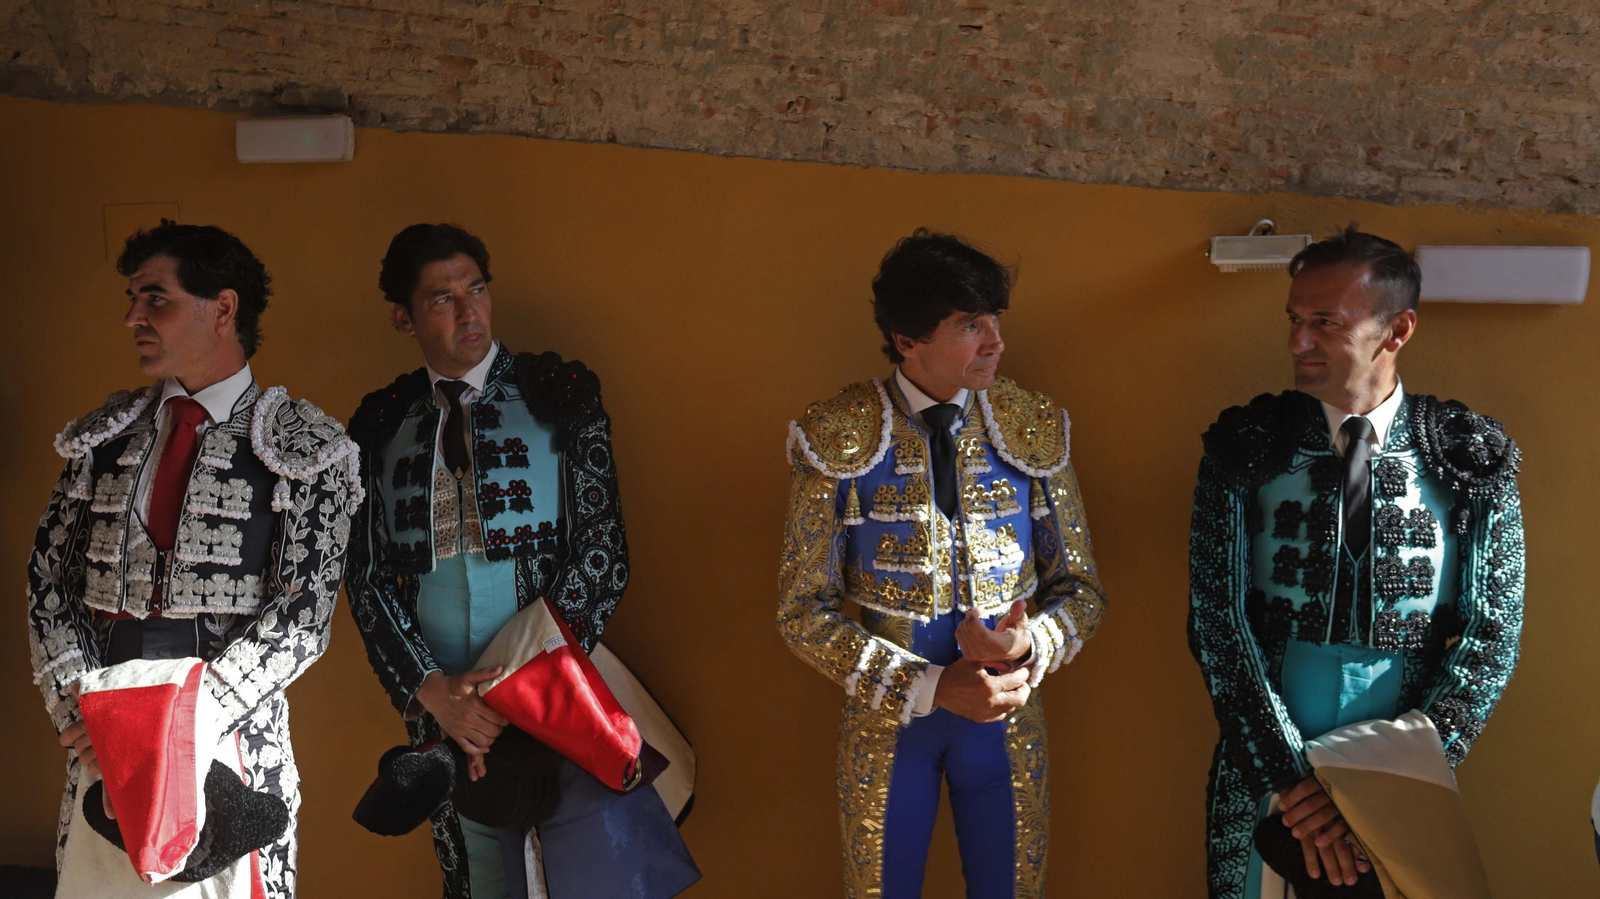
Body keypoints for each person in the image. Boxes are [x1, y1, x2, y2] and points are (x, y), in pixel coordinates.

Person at [344, 223, 696, 899]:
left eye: (475, 288)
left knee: (580, 869)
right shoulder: (380, 424)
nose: (468, 310)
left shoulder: (555, 392)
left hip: (558, 686)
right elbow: (365, 576)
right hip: (441, 707)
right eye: (442, 298)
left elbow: (603, 549)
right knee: (475, 878)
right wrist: (434, 692)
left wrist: (520, 691)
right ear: (403, 316)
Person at [1187, 226, 1525, 896]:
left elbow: (1493, 635)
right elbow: (1216, 622)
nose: (1296, 341)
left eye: (1323, 321)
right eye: (1293, 319)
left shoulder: (1469, 455)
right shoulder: (1245, 446)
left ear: (1396, 330)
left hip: (1406, 764)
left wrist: (1384, 782)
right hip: (1267, 766)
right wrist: (1291, 782)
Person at [27, 221, 361, 896]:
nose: (132, 316)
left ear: (223, 308)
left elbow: (302, 615)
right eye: (132, 297)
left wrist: (172, 724)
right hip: (104, 738)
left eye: (156, 297)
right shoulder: (103, 439)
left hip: (227, 740)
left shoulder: (308, 445)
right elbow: (48, 584)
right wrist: (89, 715)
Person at [777, 229, 1108, 898]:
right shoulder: (838, 436)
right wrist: (927, 686)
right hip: (889, 722)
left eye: (994, 321)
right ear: (907, 340)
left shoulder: (1031, 426)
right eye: (970, 324)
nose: (996, 342)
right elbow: (800, 612)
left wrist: (1028, 642)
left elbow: (1082, 592)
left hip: (1008, 718)